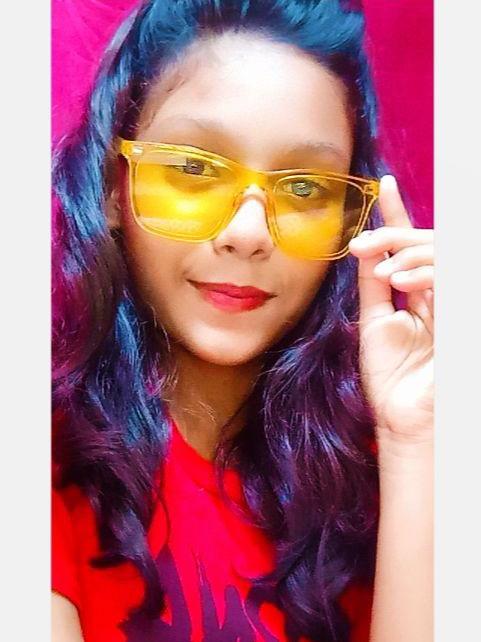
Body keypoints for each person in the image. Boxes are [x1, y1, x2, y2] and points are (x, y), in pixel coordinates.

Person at [51, 1, 434, 641]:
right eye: (194, 168)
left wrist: (415, 438)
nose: (250, 234)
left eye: (305, 188)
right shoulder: (44, 458)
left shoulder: (376, 482)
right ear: (114, 186)